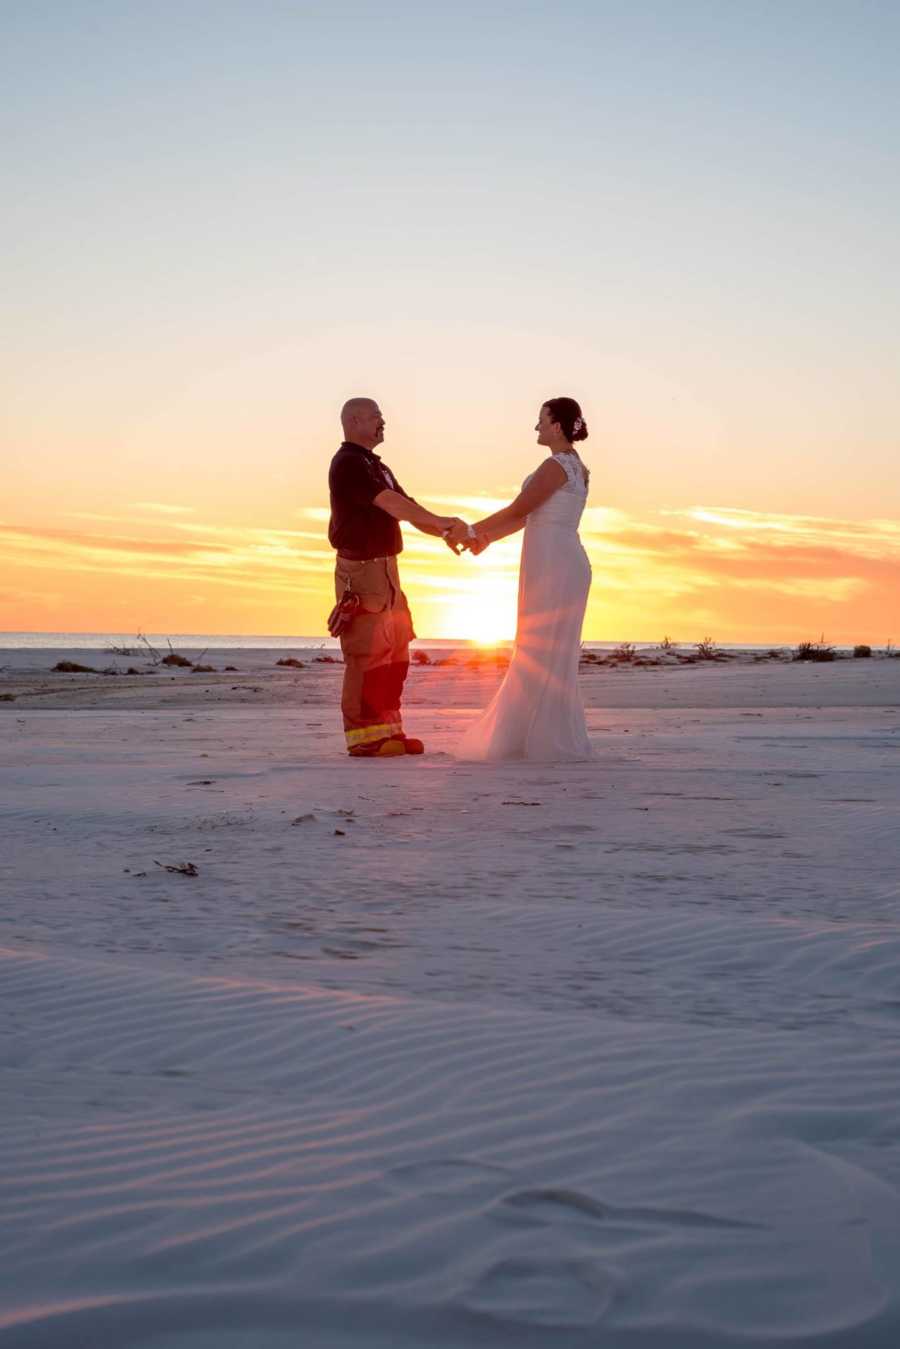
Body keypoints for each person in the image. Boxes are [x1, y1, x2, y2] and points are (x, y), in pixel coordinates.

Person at [449, 397, 593, 761]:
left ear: (557, 426)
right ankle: (537, 734)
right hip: (561, 558)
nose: (536, 427)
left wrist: (468, 530)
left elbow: (519, 509)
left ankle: (534, 738)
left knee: (539, 646)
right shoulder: (577, 466)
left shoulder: (555, 465)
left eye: (541, 420)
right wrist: (484, 538)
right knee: (546, 648)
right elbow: (526, 518)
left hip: (553, 562)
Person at [328, 397, 467, 757]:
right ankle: (364, 738)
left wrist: (445, 531)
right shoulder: (348, 463)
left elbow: (409, 508)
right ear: (354, 420)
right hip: (361, 572)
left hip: (387, 569)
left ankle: (389, 728)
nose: (383, 422)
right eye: (376, 417)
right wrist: (441, 521)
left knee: (395, 652)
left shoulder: (378, 466)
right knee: (366, 653)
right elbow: (389, 502)